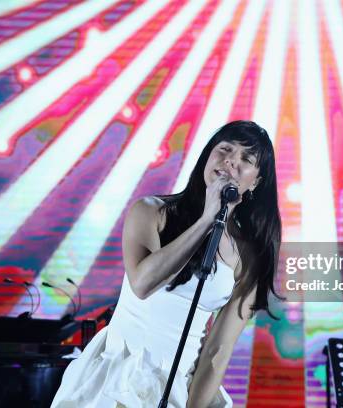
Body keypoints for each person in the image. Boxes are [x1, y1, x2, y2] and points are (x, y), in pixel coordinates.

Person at [51, 120, 282, 407]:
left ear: (256, 182)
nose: (231, 161)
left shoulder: (248, 256)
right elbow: (142, 283)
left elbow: (218, 350)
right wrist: (207, 219)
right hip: (119, 378)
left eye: (246, 159)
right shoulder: (151, 212)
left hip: (180, 388)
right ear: (207, 157)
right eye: (224, 149)